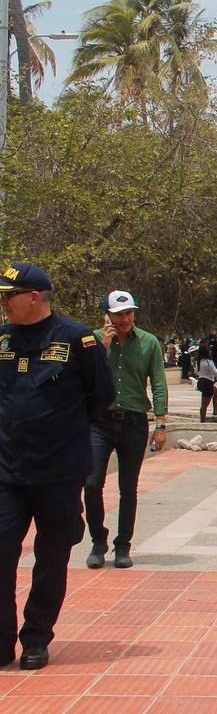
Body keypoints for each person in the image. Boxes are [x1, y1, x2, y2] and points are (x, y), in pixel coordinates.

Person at [0, 263, 115, 669]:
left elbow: (102, 397)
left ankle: (35, 637)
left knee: (51, 558)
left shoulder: (77, 340)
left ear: (34, 297)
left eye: (7, 295)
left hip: (59, 472)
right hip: (7, 471)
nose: (3, 303)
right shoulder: (2, 338)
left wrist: (67, 437)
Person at [83, 291, 169, 571]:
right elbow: (84, 378)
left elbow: (157, 381)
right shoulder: (92, 340)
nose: (125, 318)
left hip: (133, 420)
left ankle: (123, 546)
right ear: (106, 315)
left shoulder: (148, 342)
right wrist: (103, 346)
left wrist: (161, 423)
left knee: (128, 487)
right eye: (119, 314)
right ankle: (98, 540)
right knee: (93, 482)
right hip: (100, 420)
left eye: (129, 313)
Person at [195, 338, 217, 423]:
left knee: (216, 392)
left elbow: (197, 372)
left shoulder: (199, 361)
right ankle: (202, 420)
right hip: (207, 383)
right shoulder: (209, 362)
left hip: (202, 381)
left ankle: (215, 410)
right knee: (205, 404)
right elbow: (216, 373)